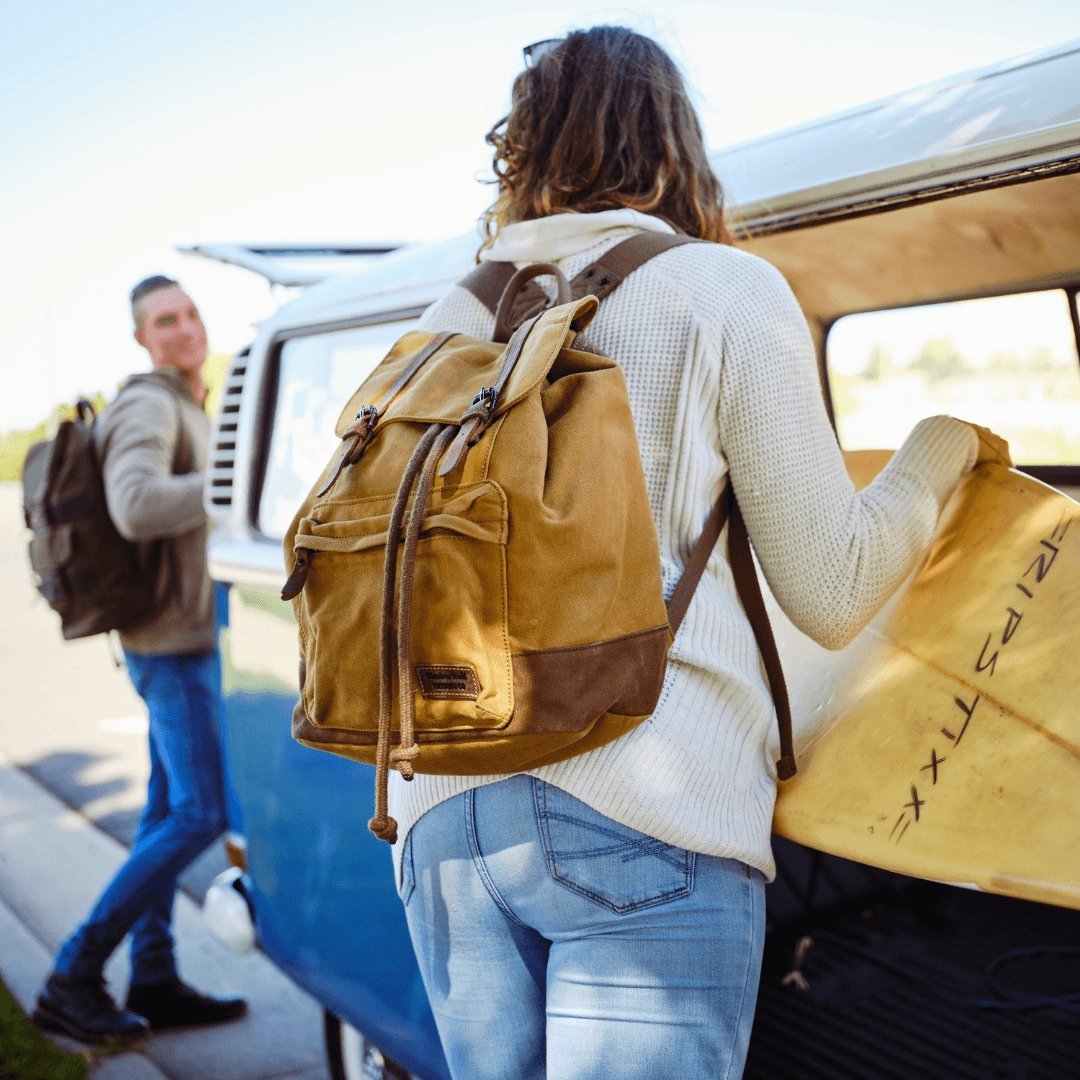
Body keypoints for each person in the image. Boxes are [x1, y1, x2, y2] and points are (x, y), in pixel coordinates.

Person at [385, 27, 1005, 1080]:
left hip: (437, 819)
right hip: (641, 804)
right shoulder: (721, 288)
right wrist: (938, 452)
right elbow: (833, 587)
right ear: (673, 140)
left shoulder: (449, 315)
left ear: (523, 145)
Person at [33, 276, 247, 1044]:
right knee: (200, 813)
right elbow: (134, 504)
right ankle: (73, 975)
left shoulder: (187, 402)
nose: (185, 328)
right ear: (142, 337)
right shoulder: (149, 404)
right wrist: (234, 483)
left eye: (190, 313)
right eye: (165, 320)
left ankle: (153, 976)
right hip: (171, 648)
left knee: (165, 812)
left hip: (182, 640)